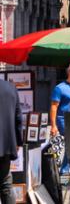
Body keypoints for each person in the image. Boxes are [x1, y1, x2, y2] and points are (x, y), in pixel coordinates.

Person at [0, 76, 24, 204]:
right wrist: (18, 142)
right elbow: (18, 118)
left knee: (6, 184)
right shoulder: (11, 88)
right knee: (5, 185)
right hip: (6, 146)